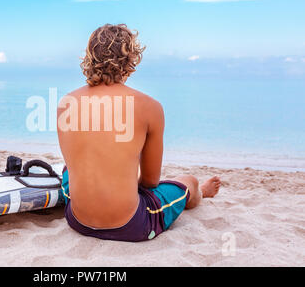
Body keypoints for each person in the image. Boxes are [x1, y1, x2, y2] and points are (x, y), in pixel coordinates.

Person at [56, 24, 221, 241]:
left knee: (71, 169)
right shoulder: (150, 107)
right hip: (131, 224)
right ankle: (200, 194)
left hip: (77, 220)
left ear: (90, 57)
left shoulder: (65, 103)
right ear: (131, 60)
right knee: (188, 181)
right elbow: (150, 182)